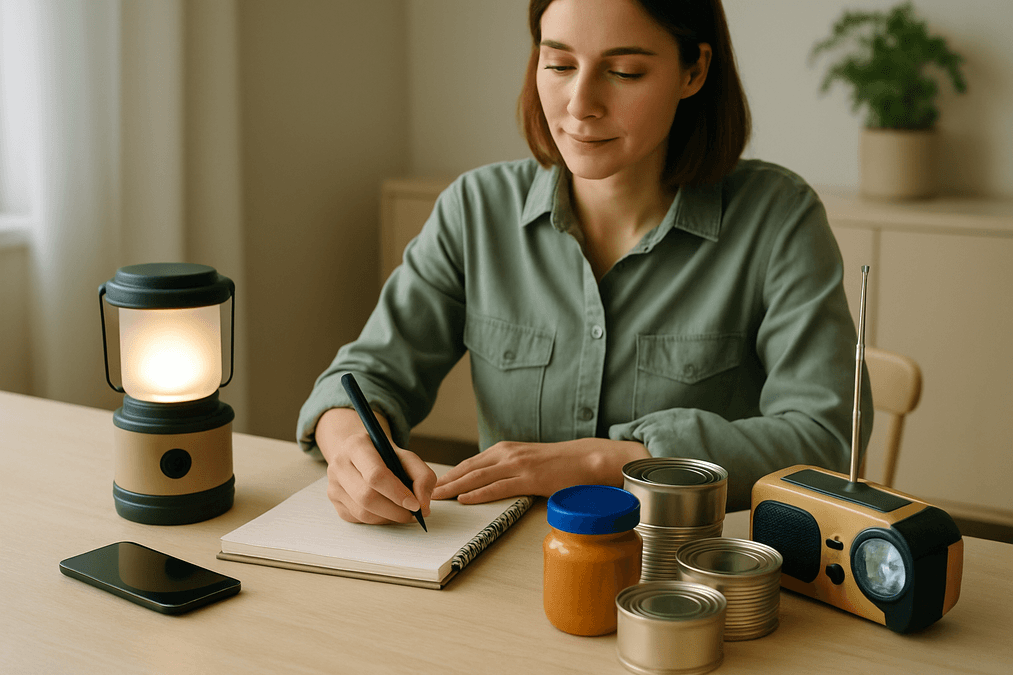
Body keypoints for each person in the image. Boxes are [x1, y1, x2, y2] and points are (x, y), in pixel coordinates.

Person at [297, 0, 872, 525]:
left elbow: (826, 440)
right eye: (559, 64)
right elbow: (361, 379)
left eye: (624, 72)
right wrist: (352, 447)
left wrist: (612, 461)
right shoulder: (476, 210)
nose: (580, 104)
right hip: (503, 568)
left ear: (694, 71)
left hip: (687, 578)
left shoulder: (778, 218)